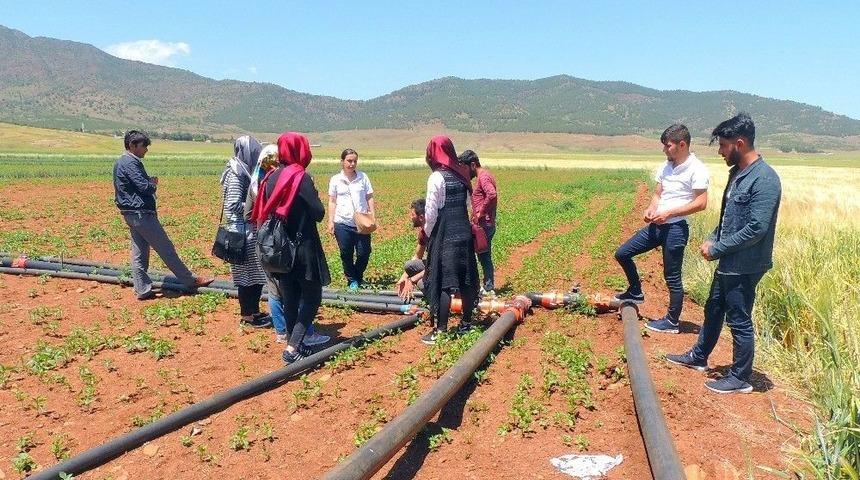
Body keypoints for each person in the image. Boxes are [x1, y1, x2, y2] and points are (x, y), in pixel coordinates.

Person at [667, 113, 781, 394]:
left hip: (747, 263)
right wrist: (713, 238)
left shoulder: (764, 179)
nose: (720, 152)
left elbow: (756, 228)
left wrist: (718, 248)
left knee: (738, 318)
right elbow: (729, 218)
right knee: (714, 307)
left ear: (739, 144)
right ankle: (699, 356)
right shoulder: (737, 174)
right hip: (730, 260)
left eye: (723, 145)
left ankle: (740, 377)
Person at [613, 124, 709, 333]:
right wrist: (651, 209)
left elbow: (701, 203)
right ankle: (635, 291)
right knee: (622, 253)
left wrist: (669, 213)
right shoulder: (666, 166)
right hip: (657, 226)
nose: (664, 150)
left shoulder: (697, 169)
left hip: (676, 229)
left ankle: (672, 321)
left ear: (682, 145)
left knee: (672, 276)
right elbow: (658, 194)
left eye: (668, 146)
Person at [251, 132, 331, 364]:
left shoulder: (270, 177)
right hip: (303, 247)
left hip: (280, 248)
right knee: (312, 296)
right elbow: (318, 213)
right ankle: (292, 347)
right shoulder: (301, 177)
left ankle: (293, 341)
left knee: (290, 297)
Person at [113, 130, 213, 300]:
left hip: (131, 214)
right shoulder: (130, 162)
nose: (146, 150)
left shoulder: (121, 161)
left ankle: (142, 289)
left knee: (139, 252)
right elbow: (145, 187)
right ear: (132, 146)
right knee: (166, 248)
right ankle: (190, 280)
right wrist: (152, 183)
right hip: (141, 214)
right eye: (143, 146)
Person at [420, 136, 479, 345]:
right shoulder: (462, 174)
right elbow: (468, 206)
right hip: (463, 231)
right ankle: (466, 323)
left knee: (444, 281)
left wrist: (428, 233)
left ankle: (441, 331)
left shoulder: (436, 178)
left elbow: (431, 212)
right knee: (466, 278)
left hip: (445, 234)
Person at [220, 135, 271, 328]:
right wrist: (257, 206)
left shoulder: (242, 170)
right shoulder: (236, 173)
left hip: (248, 230)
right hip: (241, 233)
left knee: (255, 274)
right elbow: (232, 205)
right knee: (246, 276)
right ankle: (248, 316)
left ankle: (254, 311)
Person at [327, 148, 375, 290]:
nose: (352, 164)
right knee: (346, 253)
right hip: (342, 222)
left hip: (362, 223)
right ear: (342, 161)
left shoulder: (363, 177)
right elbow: (332, 201)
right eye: (349, 161)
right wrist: (330, 221)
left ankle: (358, 276)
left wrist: (373, 215)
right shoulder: (336, 179)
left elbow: (369, 197)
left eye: (354, 161)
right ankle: (352, 279)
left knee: (364, 252)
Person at [460, 149, 498, 296]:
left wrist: (480, 212)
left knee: (483, 255)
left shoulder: (483, 177)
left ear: (473, 164)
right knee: (483, 255)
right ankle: (486, 285)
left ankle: (487, 287)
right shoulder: (483, 176)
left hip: (484, 225)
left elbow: (491, 194)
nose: (465, 172)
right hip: (485, 224)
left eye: (465, 168)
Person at [395, 198, 427, 301]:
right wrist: (404, 277)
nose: (411, 217)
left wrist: (412, 280)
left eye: (412, 215)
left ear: (421, 217)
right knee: (409, 265)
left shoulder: (435, 233)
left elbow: (434, 266)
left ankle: (441, 300)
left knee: (422, 283)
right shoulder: (423, 233)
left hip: (444, 268)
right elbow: (417, 256)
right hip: (432, 265)